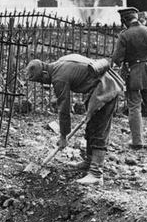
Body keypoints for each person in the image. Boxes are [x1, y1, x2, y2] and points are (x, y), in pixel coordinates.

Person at [23, 54, 124, 185]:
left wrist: (63, 136)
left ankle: (96, 173)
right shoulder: (60, 62)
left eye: (41, 80)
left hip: (106, 88)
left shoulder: (59, 77)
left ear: (44, 73)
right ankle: (89, 161)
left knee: (99, 129)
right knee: (91, 126)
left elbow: (64, 109)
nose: (43, 84)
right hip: (97, 88)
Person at [113, 7, 147, 150]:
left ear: (124, 20)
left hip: (134, 73)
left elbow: (117, 59)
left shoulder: (124, 35)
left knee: (134, 107)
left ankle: (137, 142)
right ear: (136, 17)